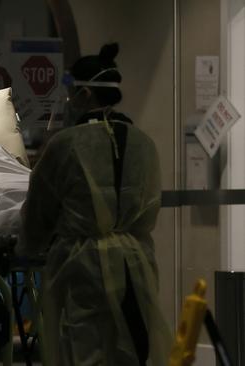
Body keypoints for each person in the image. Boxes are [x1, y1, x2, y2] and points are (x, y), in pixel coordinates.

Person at [15, 43, 171, 365]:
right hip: (137, 261)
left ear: (84, 95)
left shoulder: (66, 144)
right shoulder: (144, 143)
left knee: (87, 346)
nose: (68, 100)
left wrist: (25, 248)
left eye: (72, 93)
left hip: (83, 266)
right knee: (134, 344)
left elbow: (39, 209)